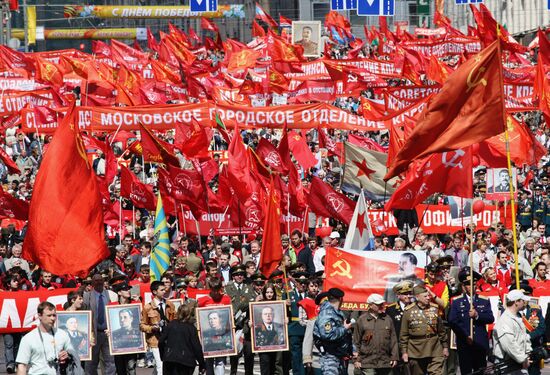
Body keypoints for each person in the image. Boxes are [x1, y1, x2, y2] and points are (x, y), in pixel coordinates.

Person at [448, 269, 494, 375]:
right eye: (468, 284)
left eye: (473, 284)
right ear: (463, 286)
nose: (471, 287)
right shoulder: (456, 301)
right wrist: (465, 336)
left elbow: (490, 318)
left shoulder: (484, 300)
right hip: (464, 343)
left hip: (480, 343)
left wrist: (477, 315)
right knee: (466, 371)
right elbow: (452, 321)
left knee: (480, 371)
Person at [16, 301, 81, 375]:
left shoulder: (62, 334)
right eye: (49, 315)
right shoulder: (28, 338)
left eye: (54, 315)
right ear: (40, 316)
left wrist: (67, 355)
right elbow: (22, 366)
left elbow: (73, 354)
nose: (52, 318)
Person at [399, 285, 448, 375]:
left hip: (434, 347)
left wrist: (445, 347)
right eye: (425, 296)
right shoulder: (408, 311)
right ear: (417, 297)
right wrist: (404, 352)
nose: (428, 298)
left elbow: (441, 330)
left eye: (428, 295)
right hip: (416, 350)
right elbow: (404, 335)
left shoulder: (434, 309)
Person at [353, 293, 398, 375]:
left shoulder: (387, 319)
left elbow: (393, 340)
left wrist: (394, 357)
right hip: (367, 362)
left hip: (385, 362)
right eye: (378, 304)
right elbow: (356, 342)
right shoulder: (362, 320)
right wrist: (356, 360)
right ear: (370, 305)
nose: (382, 306)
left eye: (382, 304)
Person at [313, 288, 353, 375]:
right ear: (341, 299)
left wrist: (351, 350)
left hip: (339, 355)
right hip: (330, 357)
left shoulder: (337, 313)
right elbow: (327, 335)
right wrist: (344, 328)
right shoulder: (327, 314)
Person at [159, 301, 206, 375]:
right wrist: (202, 364)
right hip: (186, 361)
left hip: (170, 359)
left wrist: (163, 355)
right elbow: (196, 347)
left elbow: (161, 341)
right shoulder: (191, 328)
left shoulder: (171, 325)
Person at [140, 280, 176, 375]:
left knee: (168, 364)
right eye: (162, 290)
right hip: (156, 340)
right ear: (155, 292)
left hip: (169, 339)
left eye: (165, 289)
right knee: (160, 365)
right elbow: (142, 325)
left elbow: (175, 320)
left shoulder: (169, 305)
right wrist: (152, 328)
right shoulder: (147, 307)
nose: (165, 291)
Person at [493, 289, 533, 374]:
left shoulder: (518, 317)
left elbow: (524, 337)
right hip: (507, 364)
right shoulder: (505, 320)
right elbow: (509, 344)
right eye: (522, 300)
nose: (524, 302)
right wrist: (523, 359)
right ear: (516, 302)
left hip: (518, 362)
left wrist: (528, 352)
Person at [83, 273, 116, 375]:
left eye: (100, 280)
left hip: (107, 333)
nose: (99, 282)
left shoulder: (110, 294)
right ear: (92, 282)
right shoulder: (87, 296)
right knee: (91, 363)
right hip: (94, 333)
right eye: (96, 280)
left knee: (110, 361)